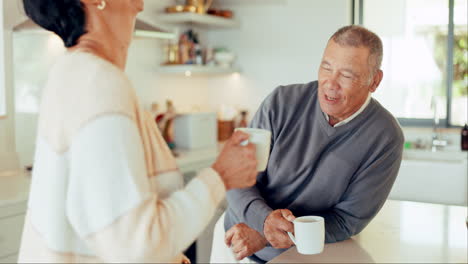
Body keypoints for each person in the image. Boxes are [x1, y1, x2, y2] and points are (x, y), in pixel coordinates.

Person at [18, 0, 258, 263]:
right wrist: (220, 176)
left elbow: (111, 228)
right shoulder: (99, 82)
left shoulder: (71, 72)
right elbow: (135, 245)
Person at [213, 25, 404, 263]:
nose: (330, 83)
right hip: (236, 244)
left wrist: (269, 233)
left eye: (346, 75)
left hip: (300, 256)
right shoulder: (281, 102)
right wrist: (263, 221)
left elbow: (347, 220)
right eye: (326, 67)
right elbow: (236, 176)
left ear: (374, 81)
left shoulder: (385, 136)